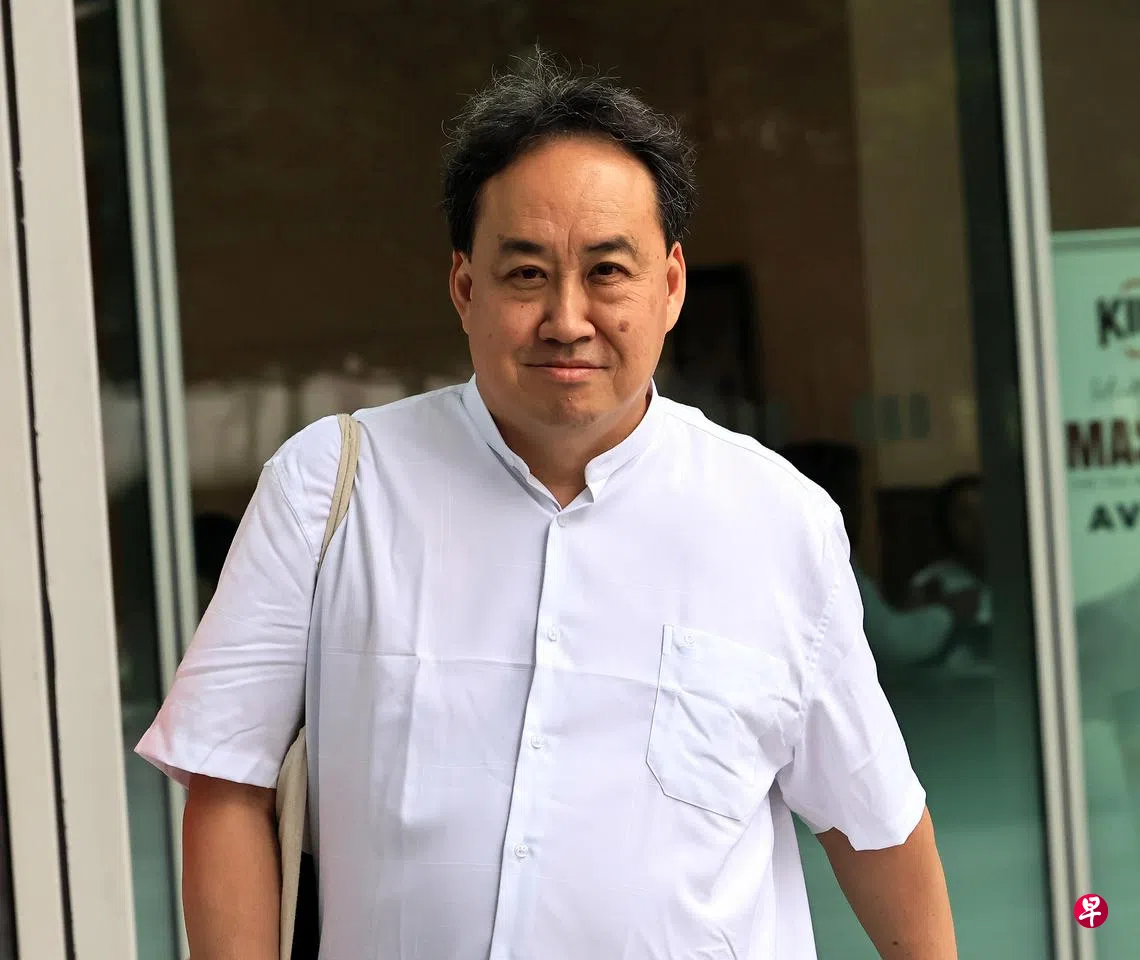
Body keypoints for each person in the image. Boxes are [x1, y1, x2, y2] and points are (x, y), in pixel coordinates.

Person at [137, 52, 956, 959]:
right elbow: (227, 783)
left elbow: (873, 824)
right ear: (465, 288)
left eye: (607, 271)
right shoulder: (332, 488)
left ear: (670, 286)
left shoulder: (776, 519)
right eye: (527, 274)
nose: (568, 319)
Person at [909, 475, 990, 631]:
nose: (978, 523)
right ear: (946, 523)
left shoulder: (1021, 578)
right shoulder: (928, 583)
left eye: (984, 511)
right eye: (965, 515)